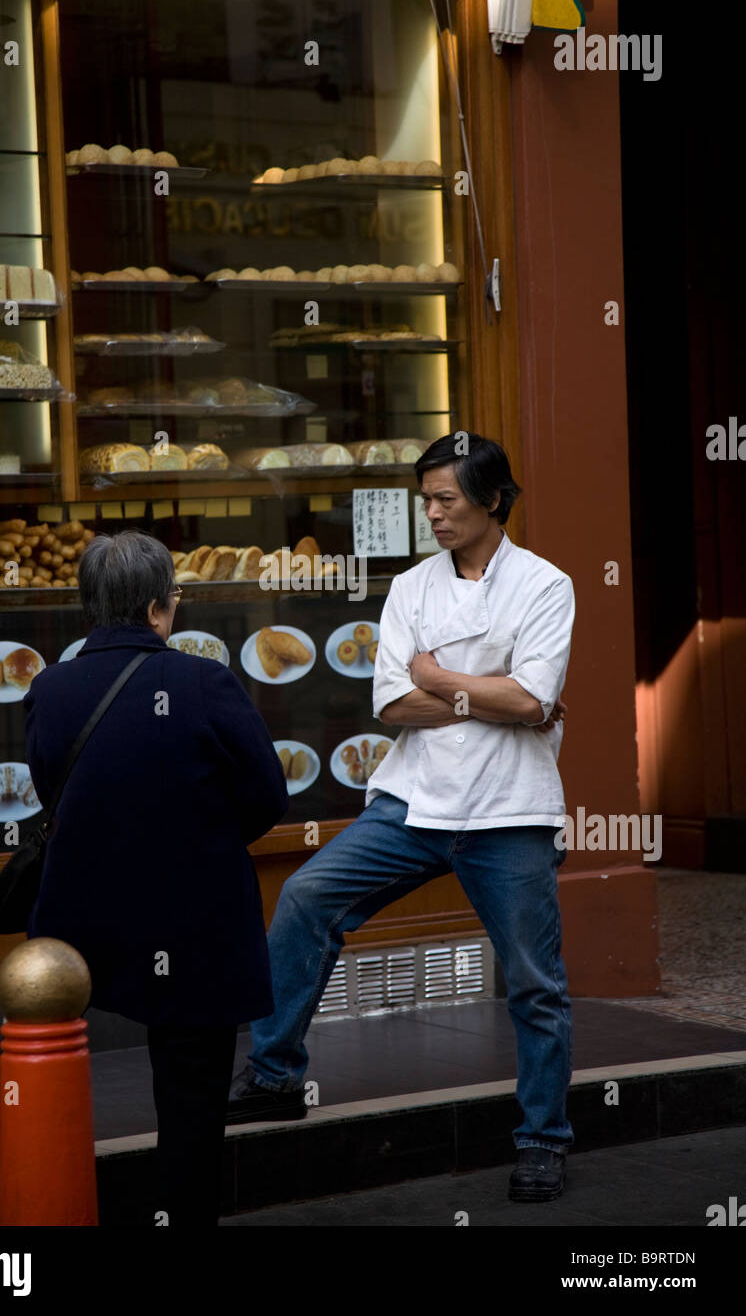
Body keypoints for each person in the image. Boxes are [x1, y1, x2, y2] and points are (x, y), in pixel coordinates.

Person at [227, 432, 575, 1202]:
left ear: (491, 499)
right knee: (306, 900)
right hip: (411, 802)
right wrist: (490, 693)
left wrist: (441, 678)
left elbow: (533, 701)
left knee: (532, 982)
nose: (434, 514)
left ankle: (544, 1138)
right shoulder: (411, 586)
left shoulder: (547, 585)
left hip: (510, 812)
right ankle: (277, 1074)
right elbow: (392, 704)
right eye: (426, 500)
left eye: (446, 499)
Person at [0, 531, 287, 1225]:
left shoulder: (51, 687)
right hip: (194, 916)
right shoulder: (204, 681)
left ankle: (6, 1149)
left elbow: (56, 789)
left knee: (42, 1013)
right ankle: (183, 1213)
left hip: (84, 904)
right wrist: (200, 843)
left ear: (88, 610)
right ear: (158, 610)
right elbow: (266, 796)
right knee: (191, 1084)